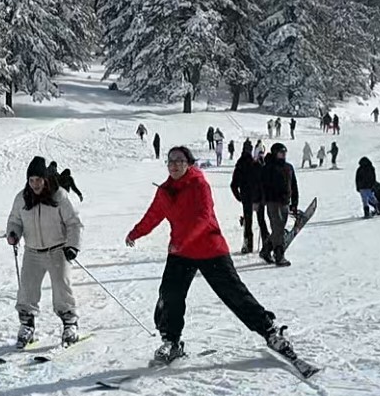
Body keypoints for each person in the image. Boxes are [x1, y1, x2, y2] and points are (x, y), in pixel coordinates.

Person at [125, 146, 306, 366]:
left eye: (179, 161)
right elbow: (153, 215)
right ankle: (171, 342)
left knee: (234, 294)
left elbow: (203, 218)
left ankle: (270, 331)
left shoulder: (199, 184)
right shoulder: (165, 190)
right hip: (181, 252)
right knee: (170, 295)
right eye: (170, 161)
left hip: (210, 249)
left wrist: (183, 241)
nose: (174, 165)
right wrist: (136, 232)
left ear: (189, 163)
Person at [6, 156, 83, 348]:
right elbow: (14, 219)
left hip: (58, 250)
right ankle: (27, 325)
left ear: (45, 179)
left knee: (61, 288)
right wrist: (13, 233)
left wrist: (72, 246)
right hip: (32, 251)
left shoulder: (59, 196)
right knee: (27, 289)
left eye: (38, 180)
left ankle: (70, 323)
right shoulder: (22, 198)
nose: (35, 184)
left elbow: (74, 223)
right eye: (31, 180)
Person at [260, 143, 298, 266]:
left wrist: (294, 202)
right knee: (278, 229)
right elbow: (262, 185)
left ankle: (266, 250)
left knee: (279, 229)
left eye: (284, 152)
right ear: (275, 153)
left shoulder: (288, 167)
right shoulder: (268, 167)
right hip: (273, 201)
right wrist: (261, 200)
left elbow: (293, 185)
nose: (283, 155)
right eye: (281, 152)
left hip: (285, 202)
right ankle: (279, 255)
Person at [230, 142, 268, 255]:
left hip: (247, 199)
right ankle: (267, 243)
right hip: (258, 197)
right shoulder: (258, 164)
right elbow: (264, 182)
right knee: (261, 221)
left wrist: (240, 197)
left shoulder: (240, 165)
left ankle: (248, 245)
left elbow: (233, 185)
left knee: (248, 222)